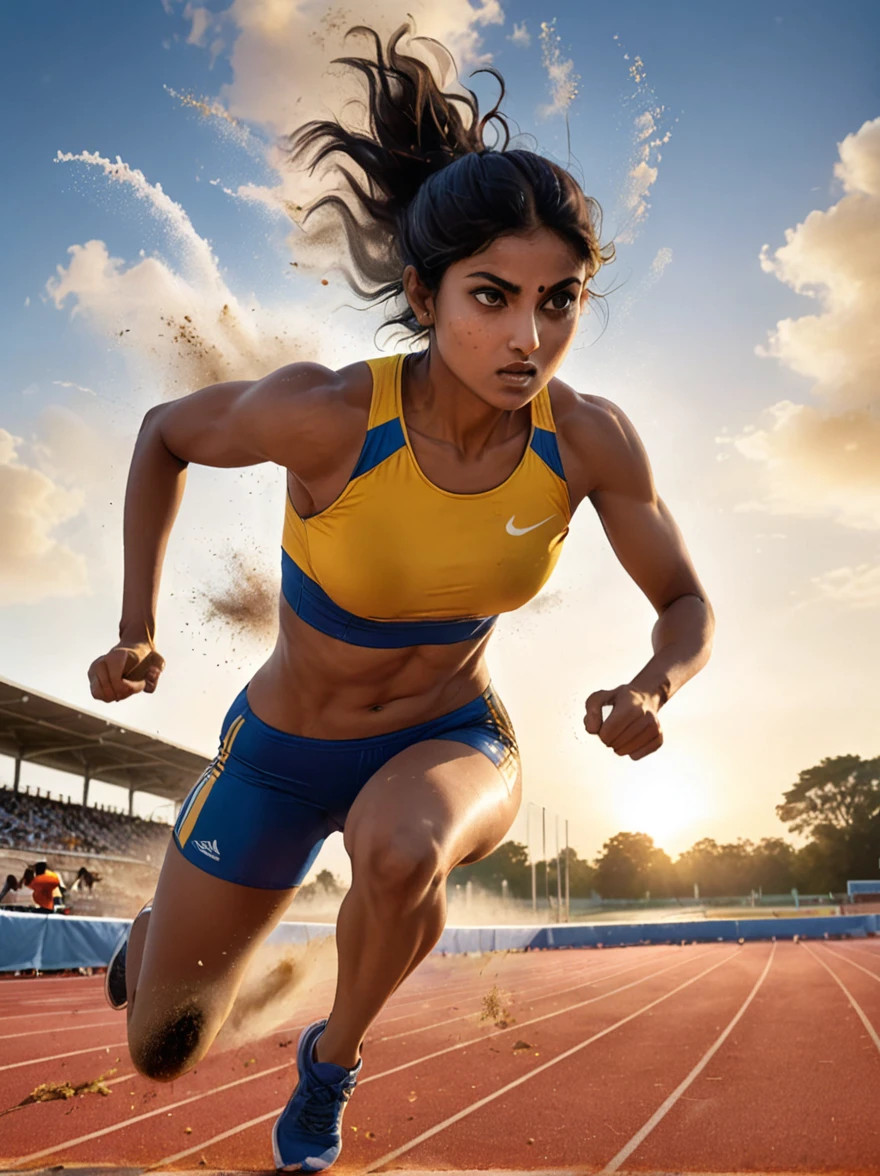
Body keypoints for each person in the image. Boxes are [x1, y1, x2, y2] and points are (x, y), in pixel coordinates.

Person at [87, 23, 714, 1174]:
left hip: (450, 737)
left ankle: (330, 1064)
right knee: (160, 1054)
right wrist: (134, 626)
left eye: (560, 300)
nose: (529, 338)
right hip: (279, 751)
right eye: (492, 297)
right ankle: (151, 946)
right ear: (424, 295)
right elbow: (163, 434)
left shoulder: (586, 443)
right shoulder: (331, 414)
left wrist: (652, 682)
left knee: (396, 848)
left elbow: (681, 600)